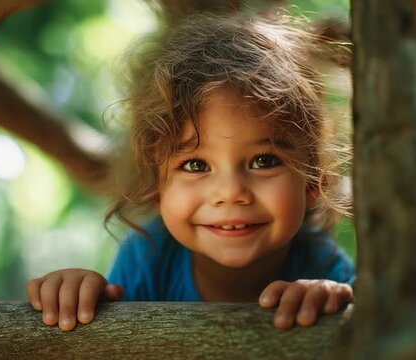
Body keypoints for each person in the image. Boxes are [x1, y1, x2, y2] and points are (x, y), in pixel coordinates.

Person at [26, 13, 355, 332]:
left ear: (314, 181)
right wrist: (79, 296)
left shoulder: (323, 265)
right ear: (156, 189)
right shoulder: (149, 257)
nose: (230, 192)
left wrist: (333, 303)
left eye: (263, 161)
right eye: (196, 165)